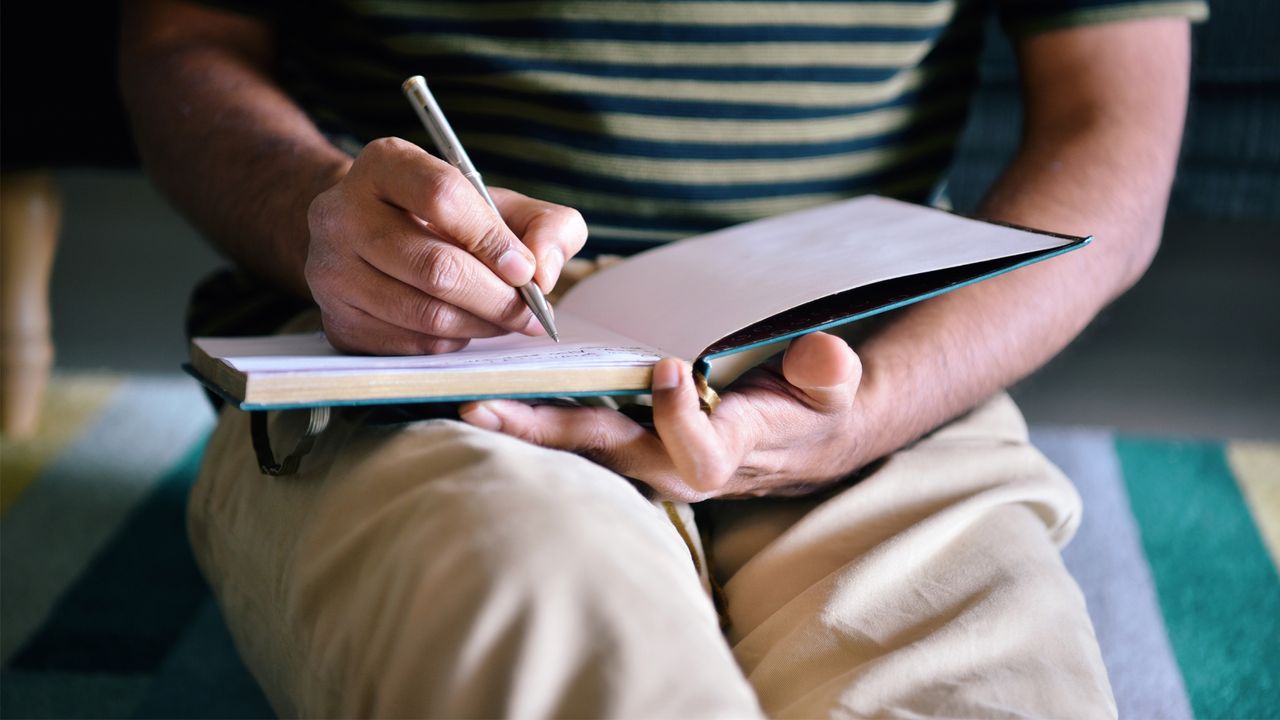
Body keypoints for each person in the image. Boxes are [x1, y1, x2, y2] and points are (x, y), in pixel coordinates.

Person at [120, 0, 1205, 716]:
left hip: (856, 350)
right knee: (550, 649)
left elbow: (1113, 120)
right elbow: (181, 42)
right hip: (420, 350)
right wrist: (320, 209)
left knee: (990, 694)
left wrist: (879, 406)